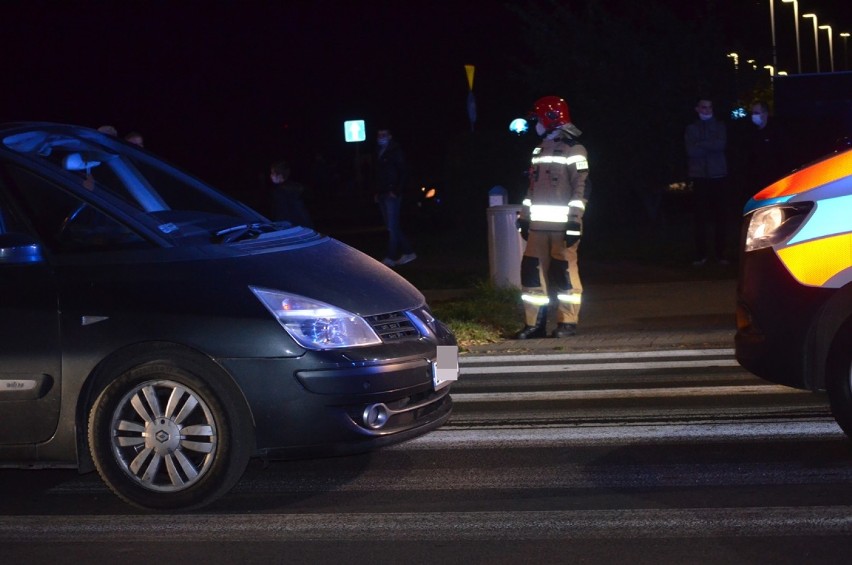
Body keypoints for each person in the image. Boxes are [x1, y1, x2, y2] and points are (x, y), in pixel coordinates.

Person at [515, 96, 590, 339]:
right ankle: (534, 324)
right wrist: (525, 217)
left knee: (564, 275)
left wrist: (574, 221)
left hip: (563, 227)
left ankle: (567, 322)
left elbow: (582, 187)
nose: (535, 123)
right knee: (531, 275)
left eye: (537, 118)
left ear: (550, 118)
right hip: (537, 227)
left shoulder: (574, 149)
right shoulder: (539, 150)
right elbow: (531, 188)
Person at [685, 97, 729, 266]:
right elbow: (691, 151)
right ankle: (701, 254)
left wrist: (701, 144)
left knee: (720, 217)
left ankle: (720, 254)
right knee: (700, 218)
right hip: (700, 176)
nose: (707, 110)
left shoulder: (719, 126)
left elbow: (720, 145)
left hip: (718, 175)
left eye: (709, 107)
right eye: (703, 107)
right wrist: (710, 145)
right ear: (697, 109)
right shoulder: (691, 128)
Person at [374, 128, 415, 267]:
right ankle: (408, 252)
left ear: (390, 136)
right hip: (383, 193)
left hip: (391, 193)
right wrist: (377, 192)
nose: (381, 137)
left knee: (392, 227)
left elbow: (403, 172)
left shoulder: (395, 150)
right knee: (392, 226)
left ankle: (391, 257)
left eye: (384, 134)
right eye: (379, 134)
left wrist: (396, 190)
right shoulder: (379, 152)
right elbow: (378, 174)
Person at [747, 100, 792, 197]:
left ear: (765, 113)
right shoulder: (751, 133)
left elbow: (783, 155)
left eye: (757, 113)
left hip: (773, 180)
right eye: (753, 113)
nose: (753, 116)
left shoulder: (776, 132)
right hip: (757, 180)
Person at [268, 160, 313, 228]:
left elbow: (281, 215)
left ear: (280, 176)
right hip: (304, 226)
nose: (271, 176)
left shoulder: (280, 191)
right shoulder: (296, 187)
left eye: (273, 173)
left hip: (292, 228)